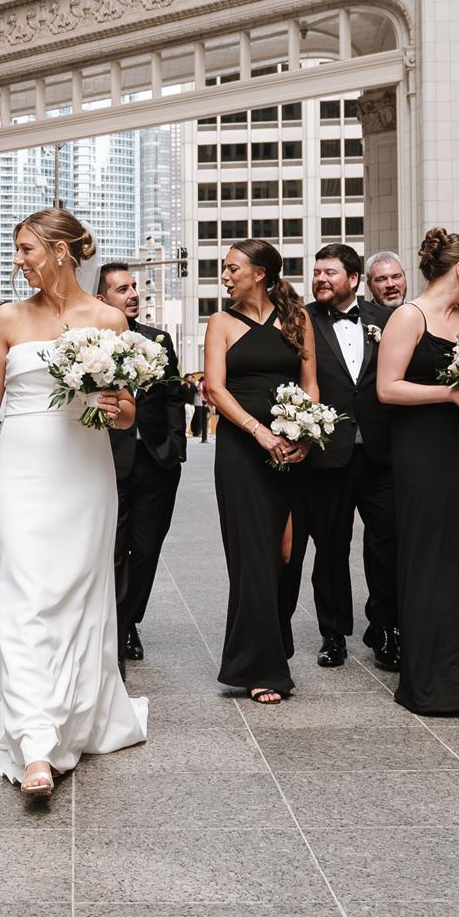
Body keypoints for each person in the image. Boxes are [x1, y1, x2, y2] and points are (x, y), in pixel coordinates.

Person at [0, 208, 147, 796]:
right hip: (22, 473)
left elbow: (126, 408)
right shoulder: (7, 319)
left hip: (86, 474)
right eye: (17, 250)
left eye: (26, 250)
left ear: (62, 251)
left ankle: (75, 712)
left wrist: (120, 409)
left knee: (78, 598)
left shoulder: (110, 319)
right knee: (25, 597)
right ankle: (35, 742)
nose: (18, 261)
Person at [376, 229, 459, 715]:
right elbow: (387, 389)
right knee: (433, 563)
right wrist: (450, 394)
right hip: (424, 453)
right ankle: (436, 677)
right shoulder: (409, 316)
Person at [205, 238, 314, 705]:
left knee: (287, 553)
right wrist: (259, 432)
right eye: (224, 269)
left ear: (261, 274)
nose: (226, 276)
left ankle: (273, 641)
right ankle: (261, 667)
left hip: (290, 449)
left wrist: (306, 434)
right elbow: (215, 387)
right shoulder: (220, 322)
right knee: (252, 556)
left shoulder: (297, 318)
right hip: (242, 449)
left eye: (233, 269)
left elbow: (310, 385)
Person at [289, 243, 397, 670]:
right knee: (330, 547)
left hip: (381, 453)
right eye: (316, 272)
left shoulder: (386, 320)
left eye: (330, 273)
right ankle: (333, 634)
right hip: (327, 454)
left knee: (387, 544)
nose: (320, 279)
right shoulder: (301, 321)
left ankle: (386, 629)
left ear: (354, 279)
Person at [97, 261, 186, 663]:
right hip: (106, 462)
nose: (133, 294)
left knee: (146, 548)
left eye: (134, 287)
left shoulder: (159, 339)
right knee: (112, 550)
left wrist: (175, 447)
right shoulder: (88, 345)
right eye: (121, 289)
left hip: (156, 460)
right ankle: (117, 628)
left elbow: (172, 396)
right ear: (101, 299)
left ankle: (129, 617)